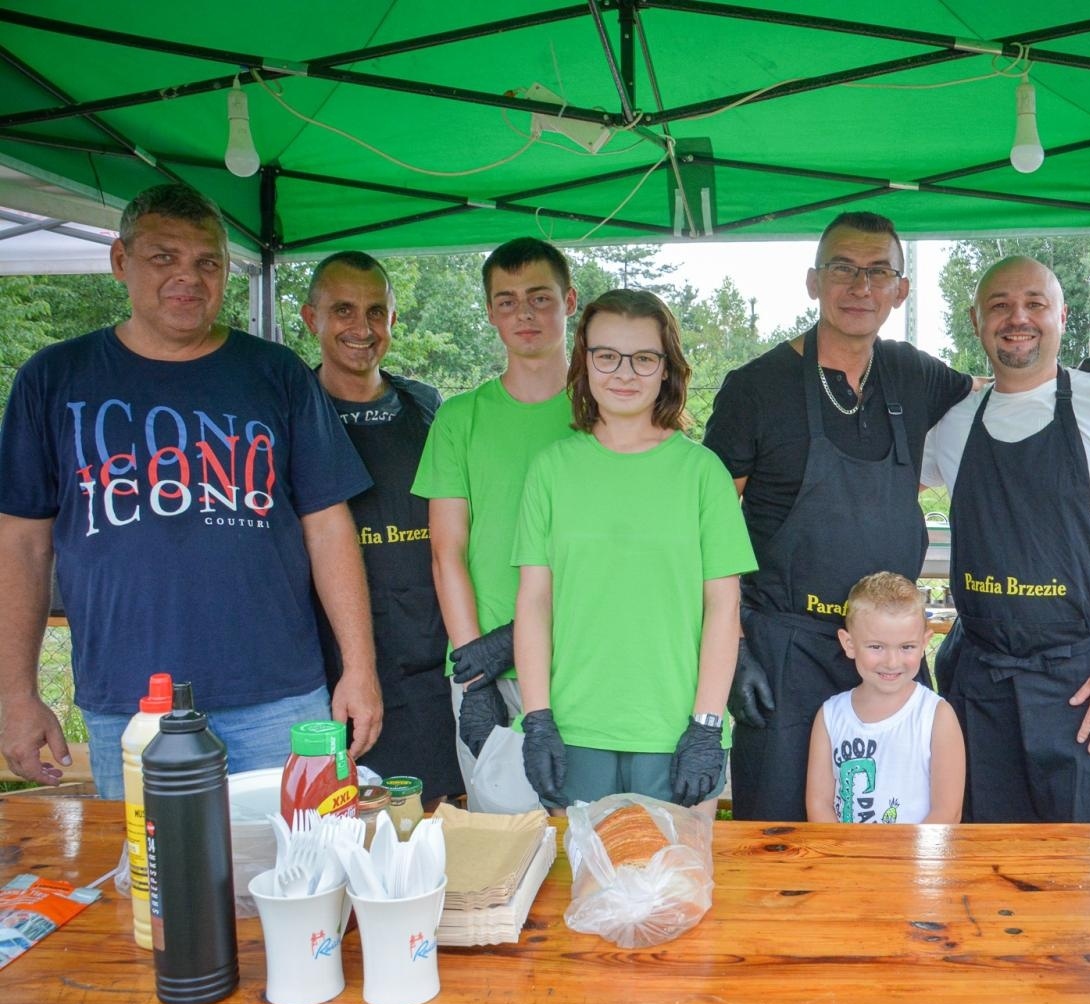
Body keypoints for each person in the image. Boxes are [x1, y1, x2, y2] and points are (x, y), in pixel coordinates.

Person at [0, 183, 380, 795]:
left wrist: (359, 669)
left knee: (301, 873)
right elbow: (21, 546)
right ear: (121, 262)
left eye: (208, 263)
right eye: (163, 258)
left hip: (279, 699)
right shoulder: (53, 379)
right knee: (156, 886)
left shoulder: (276, 374)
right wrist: (15, 694)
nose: (188, 278)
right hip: (129, 706)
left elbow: (329, 525)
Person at [704, 211, 972, 821]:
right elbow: (707, 526)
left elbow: (998, 386)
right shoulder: (755, 388)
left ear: (900, 289)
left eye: (879, 272)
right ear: (812, 281)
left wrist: (1080, 383)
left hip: (889, 657)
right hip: (784, 650)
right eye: (843, 269)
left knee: (900, 820)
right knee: (779, 835)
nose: (861, 287)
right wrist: (732, 644)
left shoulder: (914, 372)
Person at [921, 256, 1090, 823]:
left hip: (1087, 687)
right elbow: (876, 490)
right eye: (999, 306)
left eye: (1034, 304)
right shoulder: (953, 422)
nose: (1016, 317)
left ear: (1061, 316)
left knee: (1086, 876)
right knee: (986, 868)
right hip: (981, 684)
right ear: (976, 321)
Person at [511, 289, 756, 811]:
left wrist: (706, 725)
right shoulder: (550, 470)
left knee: (678, 892)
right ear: (585, 362)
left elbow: (723, 606)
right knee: (584, 892)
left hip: (675, 732)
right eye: (607, 356)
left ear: (667, 368)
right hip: (574, 729)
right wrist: (537, 720)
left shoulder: (702, 473)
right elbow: (534, 601)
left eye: (643, 358)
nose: (624, 373)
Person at [412, 238, 578, 790]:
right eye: (506, 301)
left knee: (592, 840)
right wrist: (474, 668)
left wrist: (522, 634)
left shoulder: (605, 412)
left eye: (539, 297)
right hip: (485, 669)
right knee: (504, 845)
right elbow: (447, 550)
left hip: (582, 661)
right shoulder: (459, 420)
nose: (524, 314)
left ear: (570, 301)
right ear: (489, 313)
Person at [302, 251, 464, 801]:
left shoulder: (427, 408)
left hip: (426, 672)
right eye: (343, 310)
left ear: (393, 320)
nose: (361, 327)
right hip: (326, 673)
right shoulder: (287, 410)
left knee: (434, 832)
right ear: (311, 319)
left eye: (376, 311)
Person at [805, 571, 965, 825]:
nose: (892, 662)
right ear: (848, 643)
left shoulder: (936, 716)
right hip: (845, 859)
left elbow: (947, 812)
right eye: (876, 647)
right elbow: (818, 804)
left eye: (907, 647)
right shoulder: (830, 715)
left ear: (925, 643)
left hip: (915, 860)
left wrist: (904, 862)